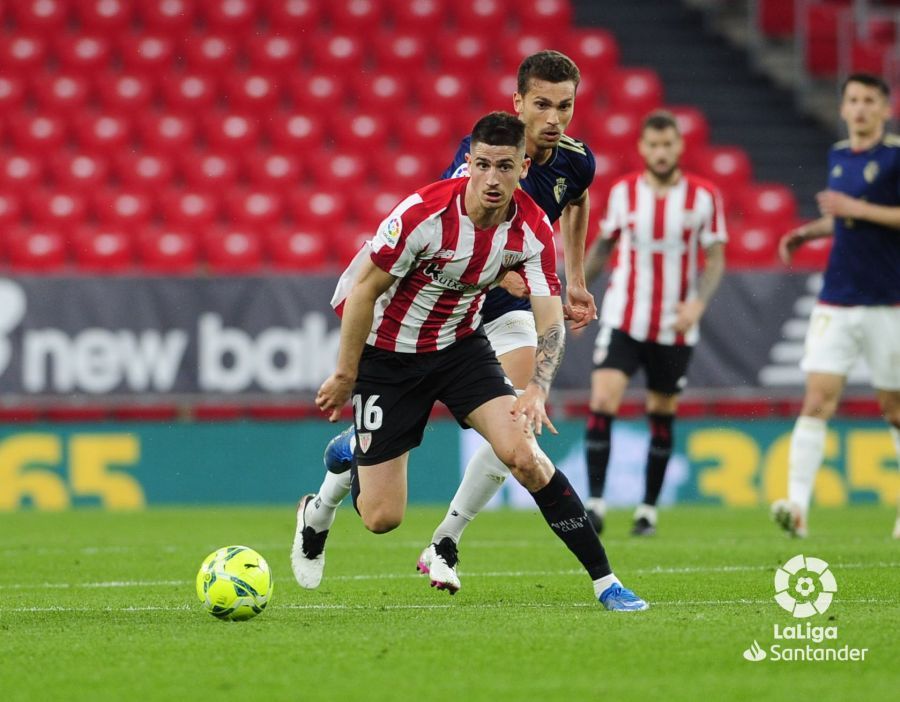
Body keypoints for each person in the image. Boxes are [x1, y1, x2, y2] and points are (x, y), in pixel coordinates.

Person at [297, 112, 647, 610]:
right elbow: (363, 292)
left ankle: (606, 582)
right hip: (389, 356)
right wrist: (346, 373)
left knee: (524, 454)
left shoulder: (530, 230)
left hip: (460, 349)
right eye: (481, 164)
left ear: (524, 167)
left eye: (504, 167)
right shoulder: (423, 215)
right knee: (381, 518)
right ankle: (322, 499)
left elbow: (548, 318)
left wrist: (538, 389)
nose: (491, 178)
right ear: (469, 163)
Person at [581, 110, 727, 536]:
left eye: (668, 145)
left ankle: (647, 511)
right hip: (624, 316)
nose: (661, 153)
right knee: (603, 401)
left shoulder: (703, 196)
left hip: (675, 324)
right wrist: (575, 292)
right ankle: (595, 504)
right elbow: (602, 248)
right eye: (653, 145)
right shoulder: (624, 193)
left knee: (661, 413)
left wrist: (698, 303)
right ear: (642, 148)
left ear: (679, 147)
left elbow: (716, 256)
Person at [772, 73, 900, 539]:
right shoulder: (839, 155)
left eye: (870, 100)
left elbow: (860, 212)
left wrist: (856, 209)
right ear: (843, 108)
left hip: (888, 302)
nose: (860, 108)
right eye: (853, 100)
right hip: (836, 300)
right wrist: (811, 231)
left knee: (895, 409)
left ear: (885, 109)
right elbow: (845, 218)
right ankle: (797, 508)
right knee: (818, 399)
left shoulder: (895, 156)